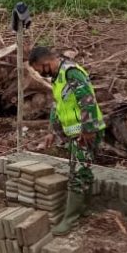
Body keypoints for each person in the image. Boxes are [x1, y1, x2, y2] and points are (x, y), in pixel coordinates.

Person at [27, 46, 105, 234]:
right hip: (75, 132)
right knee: (83, 170)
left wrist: (88, 129)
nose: (40, 74)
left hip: (85, 133)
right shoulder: (58, 77)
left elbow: (87, 100)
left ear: (45, 63)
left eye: (39, 70)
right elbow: (58, 105)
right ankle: (82, 209)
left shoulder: (71, 72)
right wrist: (51, 131)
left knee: (77, 173)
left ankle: (70, 219)